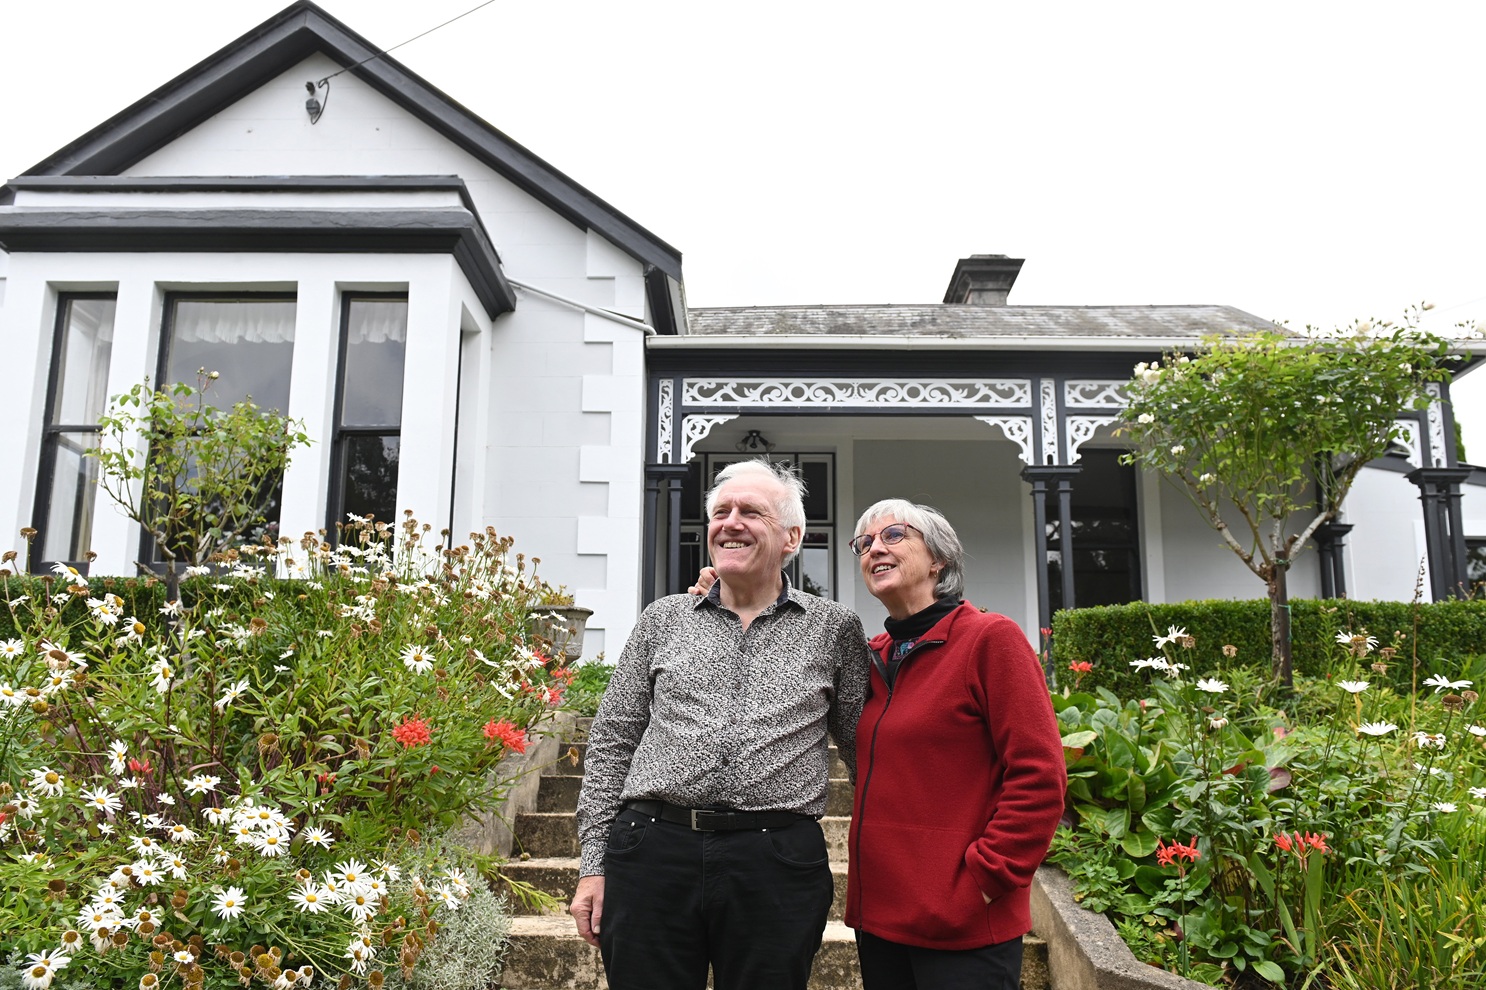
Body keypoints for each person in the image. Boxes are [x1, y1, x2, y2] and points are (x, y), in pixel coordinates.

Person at [571, 459, 871, 990]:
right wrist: (593, 864)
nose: (729, 523)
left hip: (775, 860)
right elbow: (613, 741)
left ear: (791, 537)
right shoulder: (663, 619)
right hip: (651, 851)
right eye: (720, 512)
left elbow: (864, 750)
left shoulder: (834, 628)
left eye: (750, 512)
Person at [844, 499, 1066, 989]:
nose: (874, 548)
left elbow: (1039, 774)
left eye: (894, 535)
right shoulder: (869, 659)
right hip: (881, 920)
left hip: (963, 924)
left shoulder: (991, 640)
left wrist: (987, 880)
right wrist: (726, 597)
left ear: (938, 560)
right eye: (864, 543)